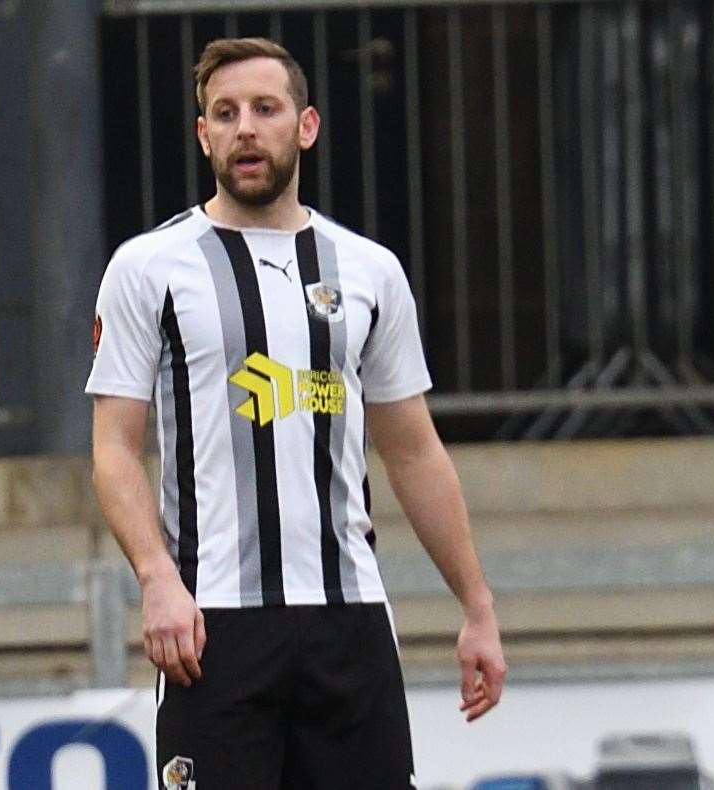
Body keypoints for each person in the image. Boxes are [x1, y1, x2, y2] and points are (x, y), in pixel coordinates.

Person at [88, 37, 505, 790]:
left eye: (265, 109)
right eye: (225, 113)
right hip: (213, 622)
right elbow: (113, 449)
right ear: (202, 134)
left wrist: (475, 606)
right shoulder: (148, 267)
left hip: (346, 620)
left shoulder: (369, 270)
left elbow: (413, 451)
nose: (245, 127)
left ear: (304, 126)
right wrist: (156, 579)